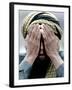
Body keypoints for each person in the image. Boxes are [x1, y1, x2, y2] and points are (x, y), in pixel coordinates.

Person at [19, 12, 64, 79]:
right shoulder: (17, 61)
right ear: (27, 41)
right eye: (36, 40)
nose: (42, 48)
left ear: (56, 41)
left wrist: (54, 55)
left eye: (46, 41)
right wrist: (30, 57)